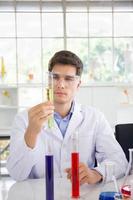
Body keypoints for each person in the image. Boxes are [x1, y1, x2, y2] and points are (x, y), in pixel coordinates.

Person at [7, 50, 127, 183]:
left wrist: (96, 173)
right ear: (49, 81)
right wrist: (32, 132)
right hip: (41, 195)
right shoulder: (24, 119)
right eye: (55, 77)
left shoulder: (95, 118)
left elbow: (120, 162)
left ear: (78, 84)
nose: (61, 84)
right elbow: (16, 174)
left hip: (81, 193)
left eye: (69, 79)